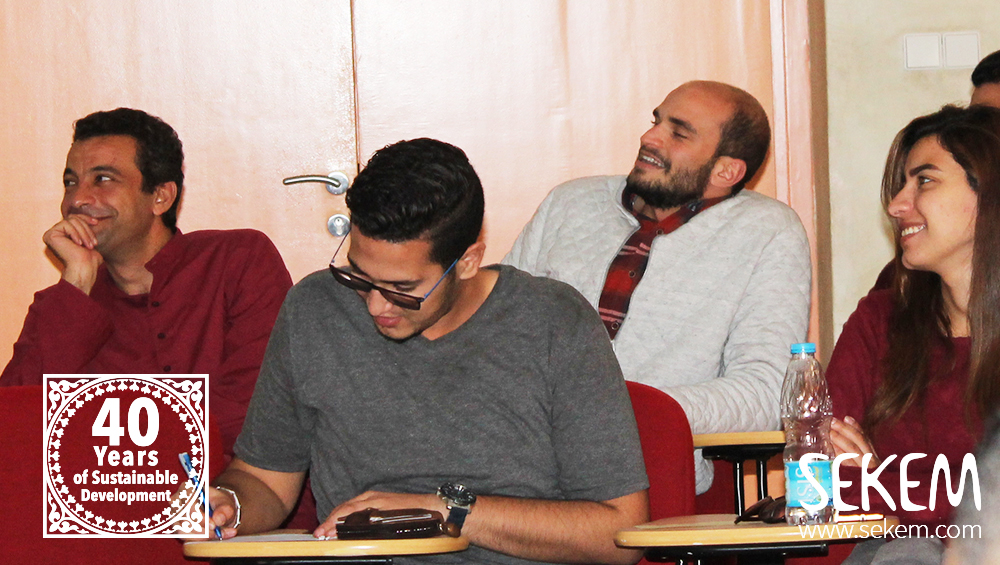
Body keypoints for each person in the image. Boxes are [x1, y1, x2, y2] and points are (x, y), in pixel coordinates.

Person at [207, 138, 650, 565]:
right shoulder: (315, 309)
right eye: (359, 276)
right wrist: (230, 504)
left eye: (402, 288)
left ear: (468, 261)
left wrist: (443, 511)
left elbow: (619, 533)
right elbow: (266, 479)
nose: (376, 306)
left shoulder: (553, 321)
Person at [503, 80, 811, 491]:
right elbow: (491, 329)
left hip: (648, 475)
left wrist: (626, 411)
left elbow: (766, 393)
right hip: (515, 458)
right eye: (656, 122)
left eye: (678, 133)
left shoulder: (767, 231)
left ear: (726, 171)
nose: (650, 138)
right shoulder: (569, 202)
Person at [0, 107, 299, 504]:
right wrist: (76, 285)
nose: (77, 199)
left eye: (103, 179)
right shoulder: (63, 305)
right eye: (70, 182)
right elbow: (15, 436)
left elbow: (258, 421)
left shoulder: (238, 260)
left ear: (161, 196)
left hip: (244, 515)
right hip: (108, 521)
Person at [827, 105, 1000, 564]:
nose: (896, 205)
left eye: (924, 181)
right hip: (892, 551)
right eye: (902, 184)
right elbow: (822, 473)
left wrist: (881, 481)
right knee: (911, 551)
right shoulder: (878, 319)